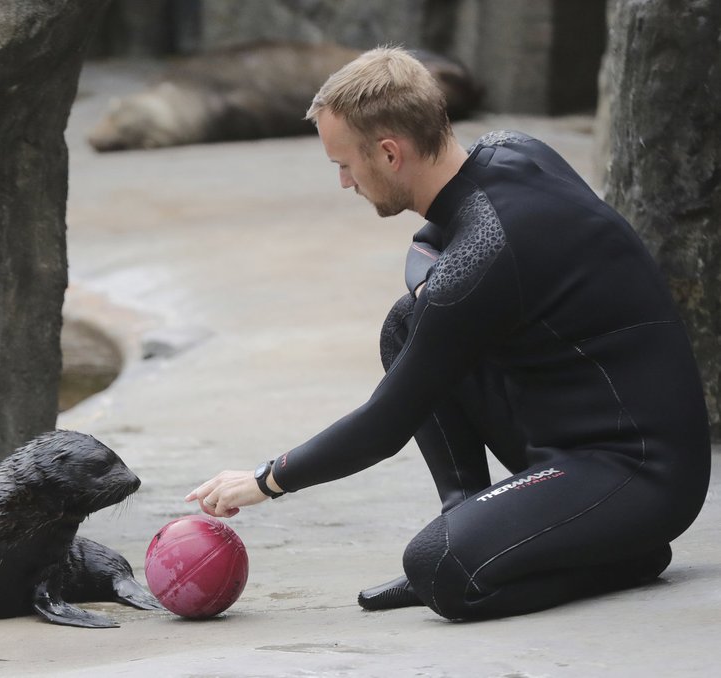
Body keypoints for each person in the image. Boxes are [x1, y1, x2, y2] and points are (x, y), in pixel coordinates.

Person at [185, 46, 711, 620]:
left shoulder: (482, 259)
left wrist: (266, 481)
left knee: (439, 569)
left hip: (639, 471)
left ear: (389, 154)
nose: (342, 181)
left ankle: (624, 556)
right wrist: (431, 283)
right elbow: (432, 250)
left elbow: (384, 424)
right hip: (565, 434)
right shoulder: (511, 150)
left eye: (343, 164)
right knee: (407, 322)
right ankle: (465, 512)